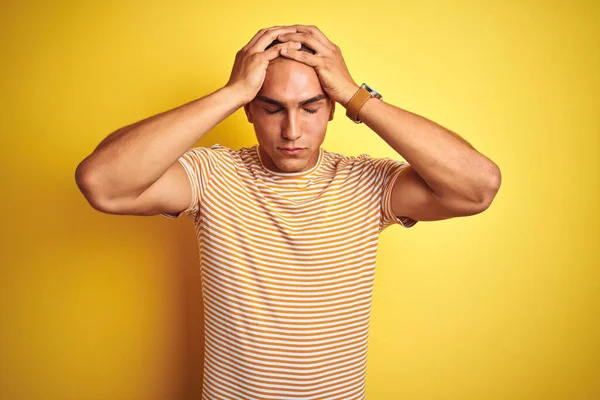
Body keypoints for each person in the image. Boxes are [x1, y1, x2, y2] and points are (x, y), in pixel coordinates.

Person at [75, 24, 501, 400]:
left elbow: (477, 187)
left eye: (311, 107)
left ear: (333, 108)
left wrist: (357, 96)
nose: (292, 131)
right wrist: (232, 91)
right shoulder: (211, 173)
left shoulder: (368, 183)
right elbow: (103, 184)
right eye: (271, 107)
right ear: (249, 110)